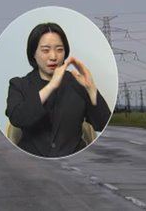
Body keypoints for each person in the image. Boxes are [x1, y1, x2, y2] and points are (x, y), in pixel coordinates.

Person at [6, 22, 111, 157]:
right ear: (33, 53)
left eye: (59, 49)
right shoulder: (19, 85)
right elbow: (17, 118)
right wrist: (51, 86)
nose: (53, 56)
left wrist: (92, 90)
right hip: (31, 163)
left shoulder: (77, 83)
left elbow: (103, 125)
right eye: (45, 50)